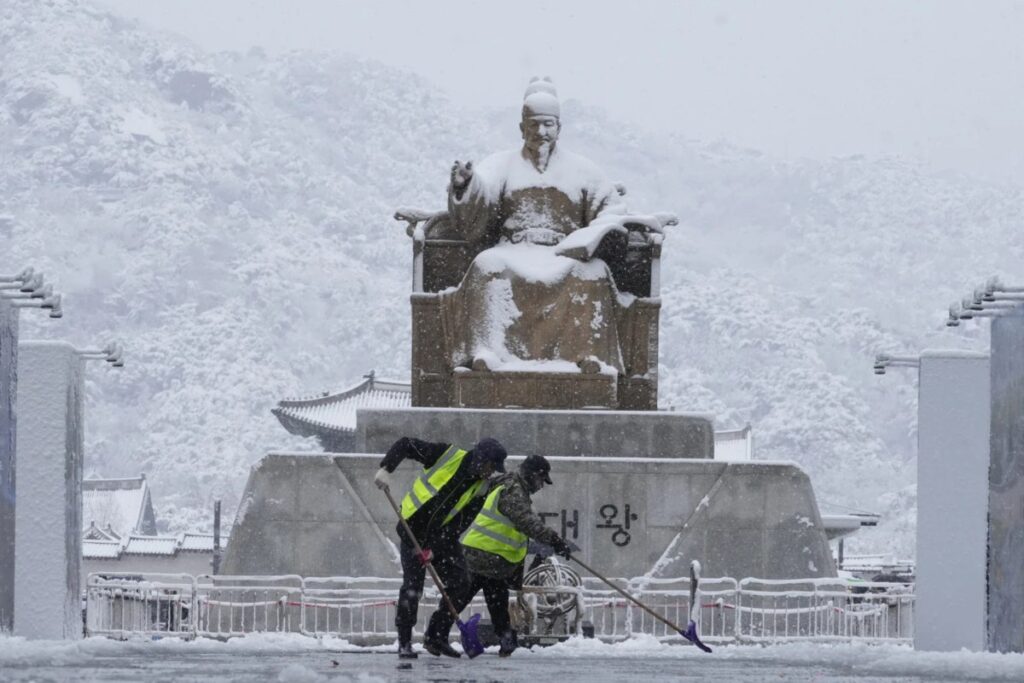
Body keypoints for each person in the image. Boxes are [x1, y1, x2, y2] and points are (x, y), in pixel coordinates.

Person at [438, 77, 646, 375]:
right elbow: (481, 194)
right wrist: (465, 185)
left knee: (594, 273)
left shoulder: (583, 170)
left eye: (548, 124)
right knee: (486, 265)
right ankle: (488, 352)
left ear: (559, 128)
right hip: (513, 249)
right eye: (533, 125)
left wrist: (594, 235)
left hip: (564, 253)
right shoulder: (502, 164)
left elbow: (611, 208)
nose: (541, 132)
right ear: (522, 128)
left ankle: (587, 356)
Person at [423, 454, 572, 658]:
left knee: (493, 599)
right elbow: (527, 522)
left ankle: (503, 639)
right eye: (540, 480)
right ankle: (437, 637)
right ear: (531, 475)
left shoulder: (510, 486)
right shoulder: (513, 490)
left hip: (494, 559)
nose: (541, 486)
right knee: (462, 597)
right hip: (482, 555)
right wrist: (555, 540)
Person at [374, 436, 508, 659]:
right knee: (412, 587)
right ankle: (405, 642)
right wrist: (387, 468)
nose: (491, 473)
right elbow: (406, 444)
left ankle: (436, 636)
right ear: (480, 459)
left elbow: (462, 521)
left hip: (442, 537)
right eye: (490, 467)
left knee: (461, 583)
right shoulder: (447, 455)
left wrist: (434, 548)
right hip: (412, 530)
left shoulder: (482, 487)